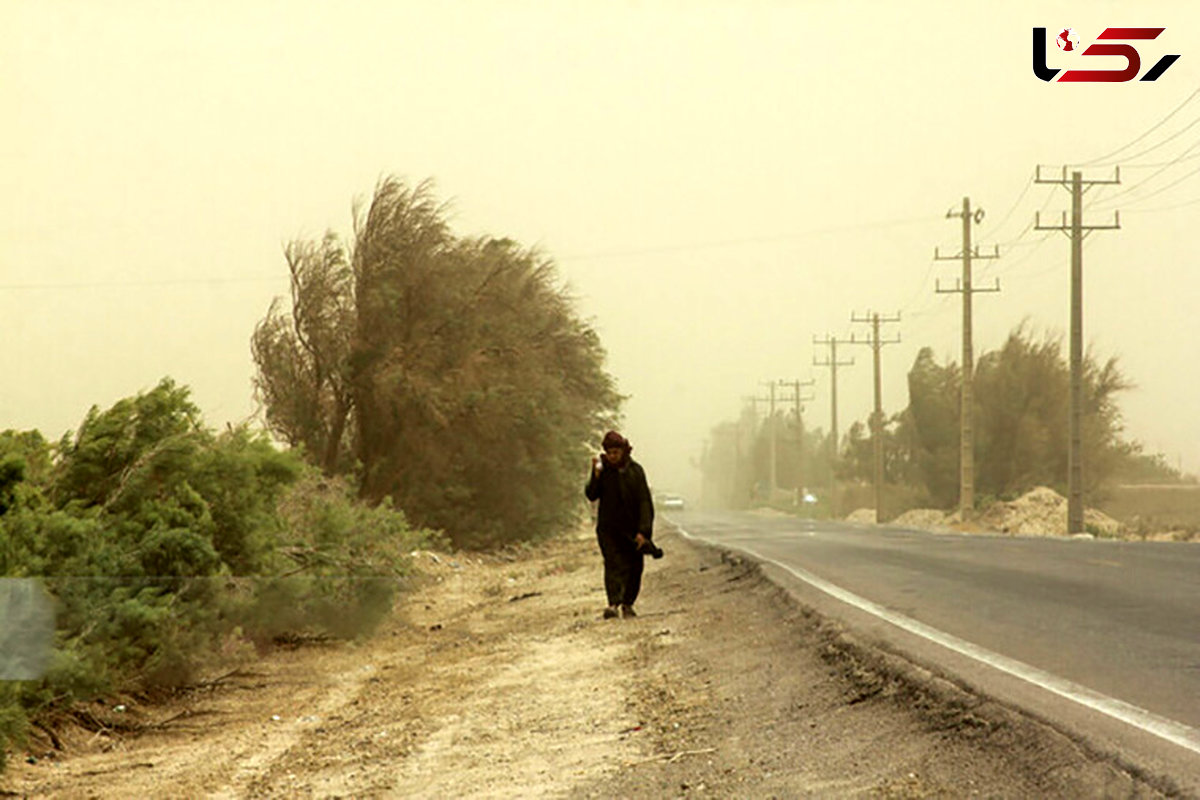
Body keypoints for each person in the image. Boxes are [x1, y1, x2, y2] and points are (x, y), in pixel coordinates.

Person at [584, 430, 655, 619]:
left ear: (623, 451)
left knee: (634, 567)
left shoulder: (635, 471)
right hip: (608, 529)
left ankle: (628, 603)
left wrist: (644, 531)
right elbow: (591, 494)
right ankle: (613, 603)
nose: (612, 456)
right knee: (613, 564)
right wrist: (595, 475)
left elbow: (645, 502)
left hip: (632, 529)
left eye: (616, 452)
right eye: (609, 453)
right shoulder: (603, 471)